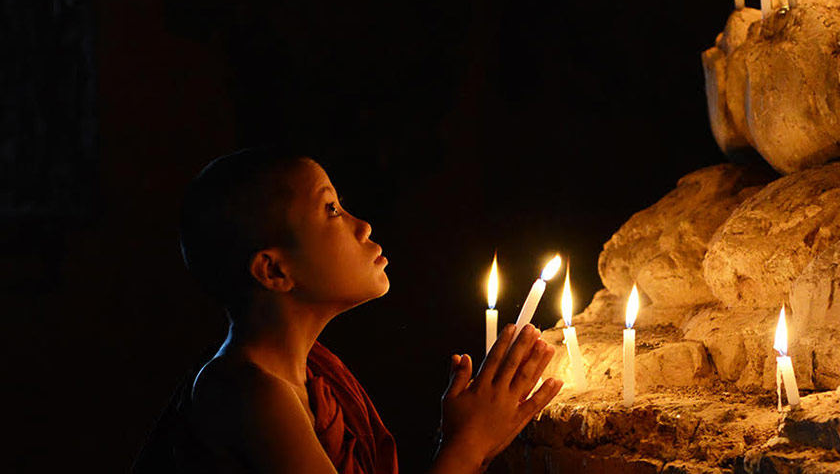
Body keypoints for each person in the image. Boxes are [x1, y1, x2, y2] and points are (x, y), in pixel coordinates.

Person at [131, 147, 562, 474]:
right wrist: (465, 447)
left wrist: (473, 439)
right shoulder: (246, 392)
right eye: (331, 209)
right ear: (274, 269)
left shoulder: (314, 376)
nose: (364, 226)